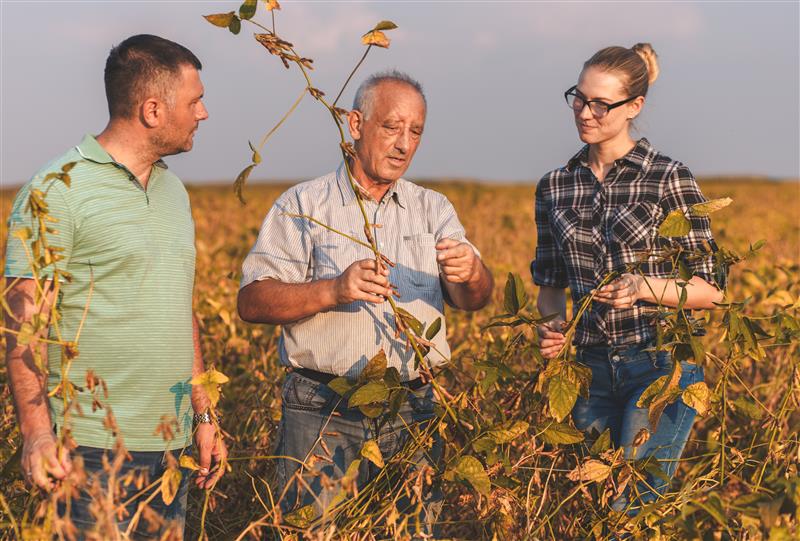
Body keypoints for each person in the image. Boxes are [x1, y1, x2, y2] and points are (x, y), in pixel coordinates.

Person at [238, 70, 493, 531]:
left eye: (415, 132)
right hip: (321, 407)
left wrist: (471, 274)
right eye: (391, 127)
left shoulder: (433, 209)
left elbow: (473, 297)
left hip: (413, 409)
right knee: (309, 530)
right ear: (355, 124)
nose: (403, 144)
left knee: (411, 530)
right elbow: (253, 301)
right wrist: (332, 290)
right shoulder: (302, 204)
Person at [3, 34, 227, 538]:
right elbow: (24, 330)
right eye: (195, 101)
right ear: (152, 109)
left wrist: (203, 415)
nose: (204, 113)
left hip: (172, 449)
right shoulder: (55, 190)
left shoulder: (173, 191)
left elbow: (179, 310)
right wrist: (37, 435)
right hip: (87, 452)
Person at [531, 44, 725, 512]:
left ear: (634, 106)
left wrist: (643, 288)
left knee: (631, 508)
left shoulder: (669, 178)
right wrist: (552, 329)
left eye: (601, 103)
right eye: (579, 98)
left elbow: (711, 291)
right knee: (593, 504)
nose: (585, 112)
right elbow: (552, 286)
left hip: (659, 365)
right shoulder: (556, 186)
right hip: (588, 369)